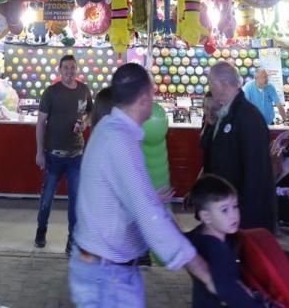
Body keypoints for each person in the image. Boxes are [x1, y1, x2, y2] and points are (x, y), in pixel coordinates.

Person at [70, 63, 214, 307]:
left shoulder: (108, 130)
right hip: (107, 278)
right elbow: (150, 217)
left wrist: (149, 201)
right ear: (146, 98)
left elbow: (126, 199)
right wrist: (203, 271)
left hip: (103, 270)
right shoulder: (119, 140)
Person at [204, 61, 276, 231]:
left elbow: (256, 174)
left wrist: (243, 218)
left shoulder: (248, 116)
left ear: (222, 83)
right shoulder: (226, 113)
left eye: (210, 82)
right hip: (226, 210)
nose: (209, 87)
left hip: (243, 217)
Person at [34, 54, 93, 253]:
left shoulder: (84, 90)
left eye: (72, 67)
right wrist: (39, 152)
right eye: (66, 68)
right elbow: (41, 122)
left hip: (76, 155)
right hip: (53, 155)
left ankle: (72, 240)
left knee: (76, 200)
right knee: (47, 197)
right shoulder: (51, 92)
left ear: (77, 69)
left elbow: (90, 113)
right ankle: (41, 230)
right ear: (60, 70)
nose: (69, 71)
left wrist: (85, 122)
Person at [185, 174, 262, 308]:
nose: (233, 215)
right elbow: (227, 289)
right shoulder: (217, 249)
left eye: (235, 206)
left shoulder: (198, 235)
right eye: (224, 210)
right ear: (206, 217)